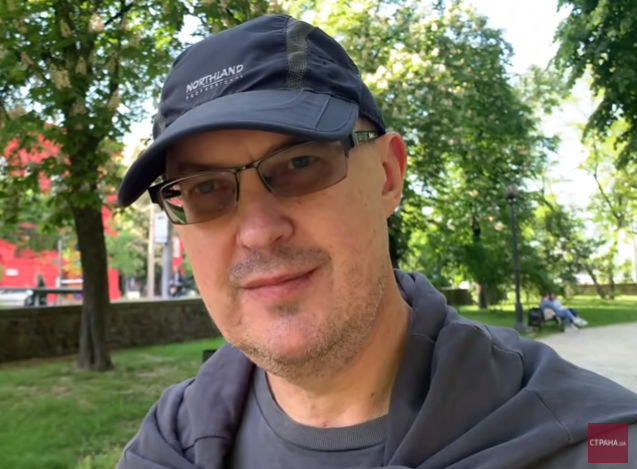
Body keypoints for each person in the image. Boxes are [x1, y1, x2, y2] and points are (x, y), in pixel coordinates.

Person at [115, 14, 637, 469]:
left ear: (388, 175)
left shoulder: (593, 440)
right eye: (205, 189)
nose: (257, 231)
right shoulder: (170, 441)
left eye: (301, 163)